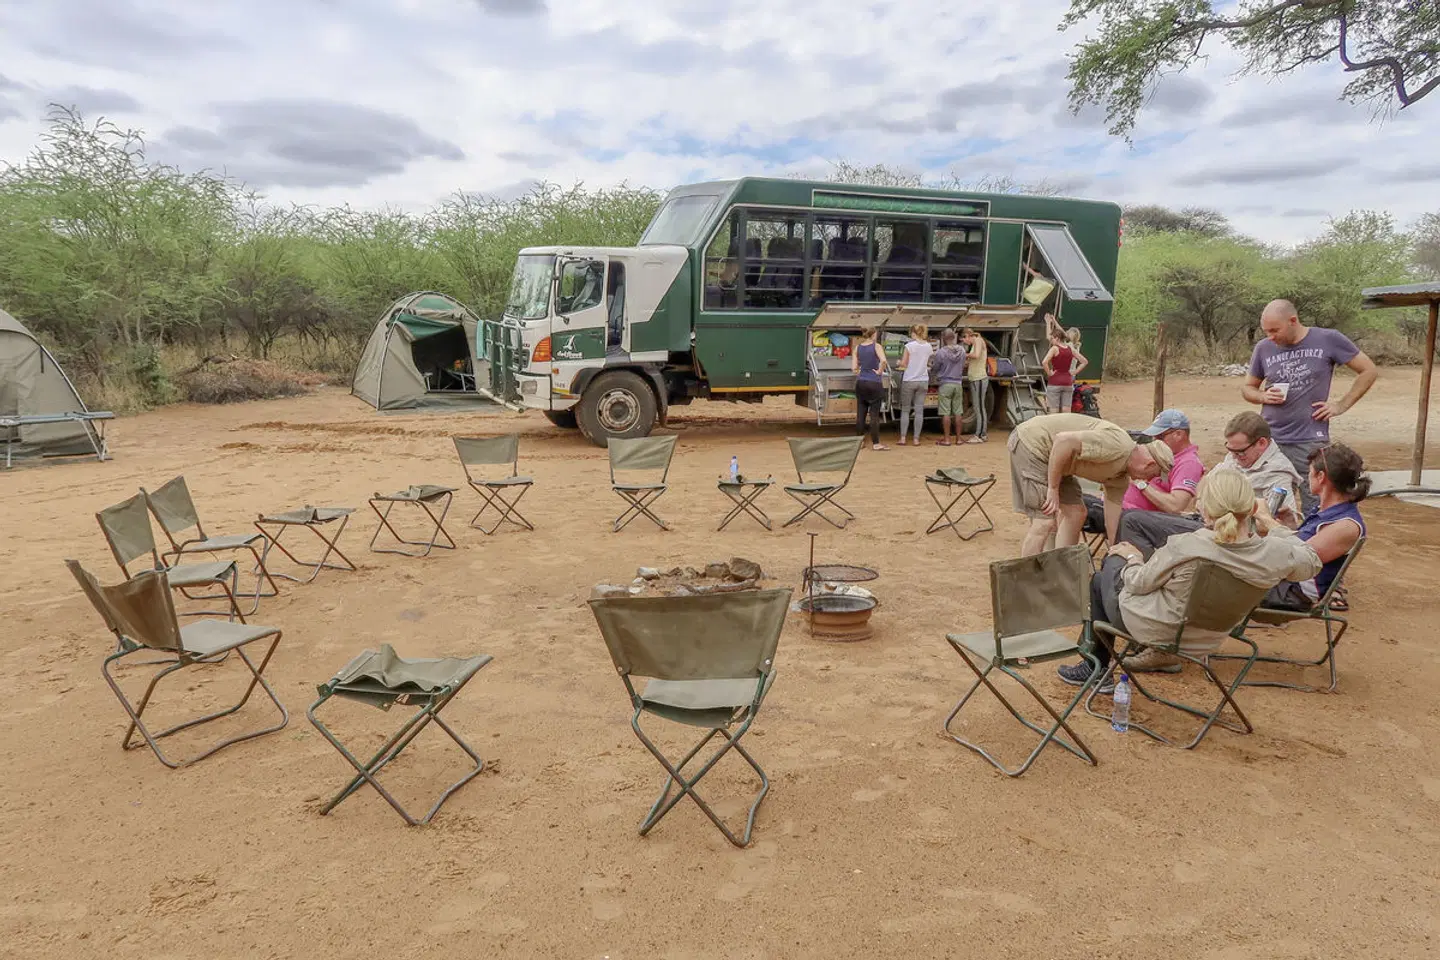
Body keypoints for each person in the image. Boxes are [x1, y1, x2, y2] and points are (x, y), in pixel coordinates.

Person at [1056, 470, 1322, 685]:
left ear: (1205, 510)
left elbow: (1137, 583)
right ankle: (1128, 660)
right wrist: (1269, 522)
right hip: (1207, 639)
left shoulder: (1187, 545)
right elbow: (1311, 561)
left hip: (1157, 629)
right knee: (1154, 580)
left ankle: (1095, 668)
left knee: (1105, 574)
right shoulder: (1274, 553)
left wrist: (1132, 558)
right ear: (1252, 507)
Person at [1242, 299, 1377, 514]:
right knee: (1266, 506)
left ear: (1293, 321)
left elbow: (1368, 370)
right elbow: (1248, 388)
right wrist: (1262, 396)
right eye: (1266, 331)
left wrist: (1340, 405)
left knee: (1315, 504)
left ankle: (1312, 536)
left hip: (1310, 439)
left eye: (1275, 330)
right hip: (1270, 440)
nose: (1270, 336)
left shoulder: (1328, 339)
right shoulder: (1264, 348)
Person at [1008, 412, 1174, 557]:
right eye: (1154, 475)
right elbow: (1063, 441)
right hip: (1034, 444)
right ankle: (1025, 577)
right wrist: (1053, 488)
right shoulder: (1118, 446)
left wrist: (1114, 547)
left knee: (1076, 513)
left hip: (1060, 462)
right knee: (1044, 521)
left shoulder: (1120, 477)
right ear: (1149, 464)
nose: (1149, 480)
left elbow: (1112, 516)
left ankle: (1061, 567)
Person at [1255, 441, 1368, 611]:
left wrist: (1268, 521)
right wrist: (1290, 527)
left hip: (1292, 594)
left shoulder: (1346, 525)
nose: (1308, 478)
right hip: (1282, 584)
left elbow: (1298, 561)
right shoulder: (1328, 511)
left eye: (1310, 472)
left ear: (1321, 477)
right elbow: (1301, 548)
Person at [1105, 410, 1207, 554]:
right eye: (1154, 437)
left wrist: (1141, 484)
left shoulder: (1188, 463)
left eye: (1160, 436)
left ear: (1178, 434)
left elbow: (1175, 506)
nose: (1155, 440)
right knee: (1081, 503)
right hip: (1121, 509)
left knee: (1086, 509)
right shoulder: (1162, 452)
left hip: (1134, 518)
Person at [851, 326, 889, 451]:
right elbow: (883, 361)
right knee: (874, 415)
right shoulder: (876, 346)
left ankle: (859, 442)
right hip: (874, 383)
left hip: (861, 382)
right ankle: (876, 443)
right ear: (873, 334)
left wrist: (860, 371)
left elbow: (854, 368)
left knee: (860, 414)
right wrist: (879, 371)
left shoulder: (857, 348)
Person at [896, 324, 933, 446]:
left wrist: (898, 362)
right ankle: (916, 439)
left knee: (905, 410)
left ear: (913, 333)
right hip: (923, 380)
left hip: (909, 380)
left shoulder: (909, 346)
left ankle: (903, 438)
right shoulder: (928, 346)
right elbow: (928, 363)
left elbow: (904, 364)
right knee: (919, 411)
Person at [932, 329, 967, 446]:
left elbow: (935, 367)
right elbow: (963, 364)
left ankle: (947, 439)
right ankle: (958, 439)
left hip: (945, 384)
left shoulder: (941, 352)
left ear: (943, 338)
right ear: (954, 337)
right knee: (958, 412)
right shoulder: (962, 350)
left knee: (945, 412)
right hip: (958, 384)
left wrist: (933, 371)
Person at [1042, 328, 1086, 414]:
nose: (1051, 340)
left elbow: (1044, 362)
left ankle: (1055, 423)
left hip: (1055, 382)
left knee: (1054, 411)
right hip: (1068, 382)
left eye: (1052, 338)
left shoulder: (1054, 349)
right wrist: (1074, 372)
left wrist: (1049, 373)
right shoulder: (1070, 349)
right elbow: (1084, 361)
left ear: (1057, 338)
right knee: (1066, 410)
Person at [962, 328, 989, 443]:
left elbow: (976, 355)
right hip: (975, 378)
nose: (965, 343)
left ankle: (980, 434)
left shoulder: (978, 340)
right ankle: (982, 434)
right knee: (978, 406)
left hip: (979, 378)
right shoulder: (975, 343)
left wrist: (965, 354)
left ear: (967, 336)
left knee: (979, 407)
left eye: (964, 340)